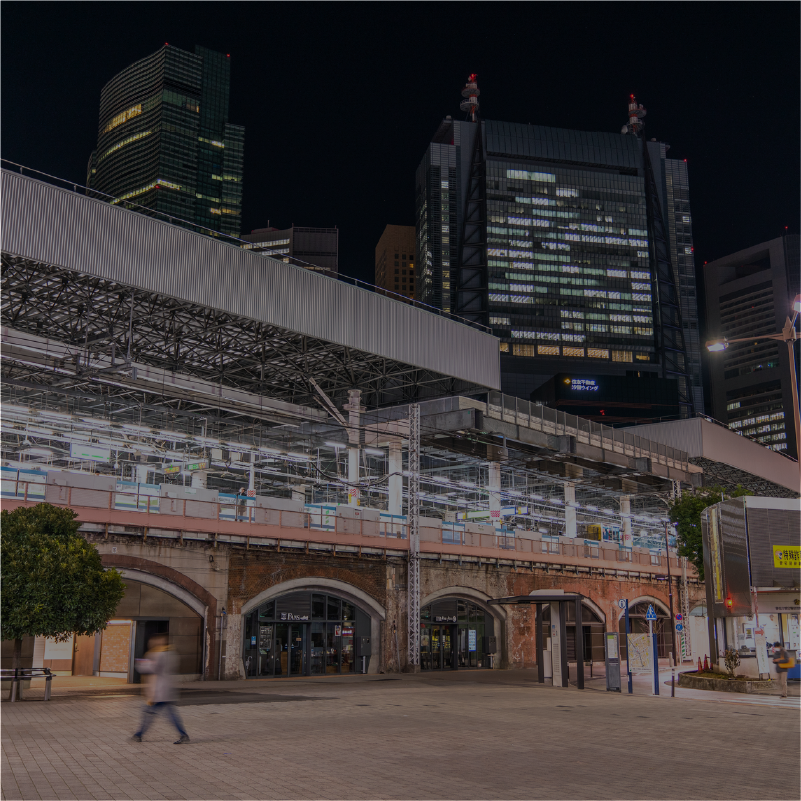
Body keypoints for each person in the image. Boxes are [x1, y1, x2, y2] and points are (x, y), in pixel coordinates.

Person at [131, 634, 190, 744]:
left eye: (155, 641)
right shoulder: (172, 653)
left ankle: (138, 735)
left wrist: (140, 664)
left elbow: (153, 668)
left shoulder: (160, 654)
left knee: (149, 713)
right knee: (170, 714)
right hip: (166, 690)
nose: (152, 643)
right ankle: (183, 734)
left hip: (159, 691)